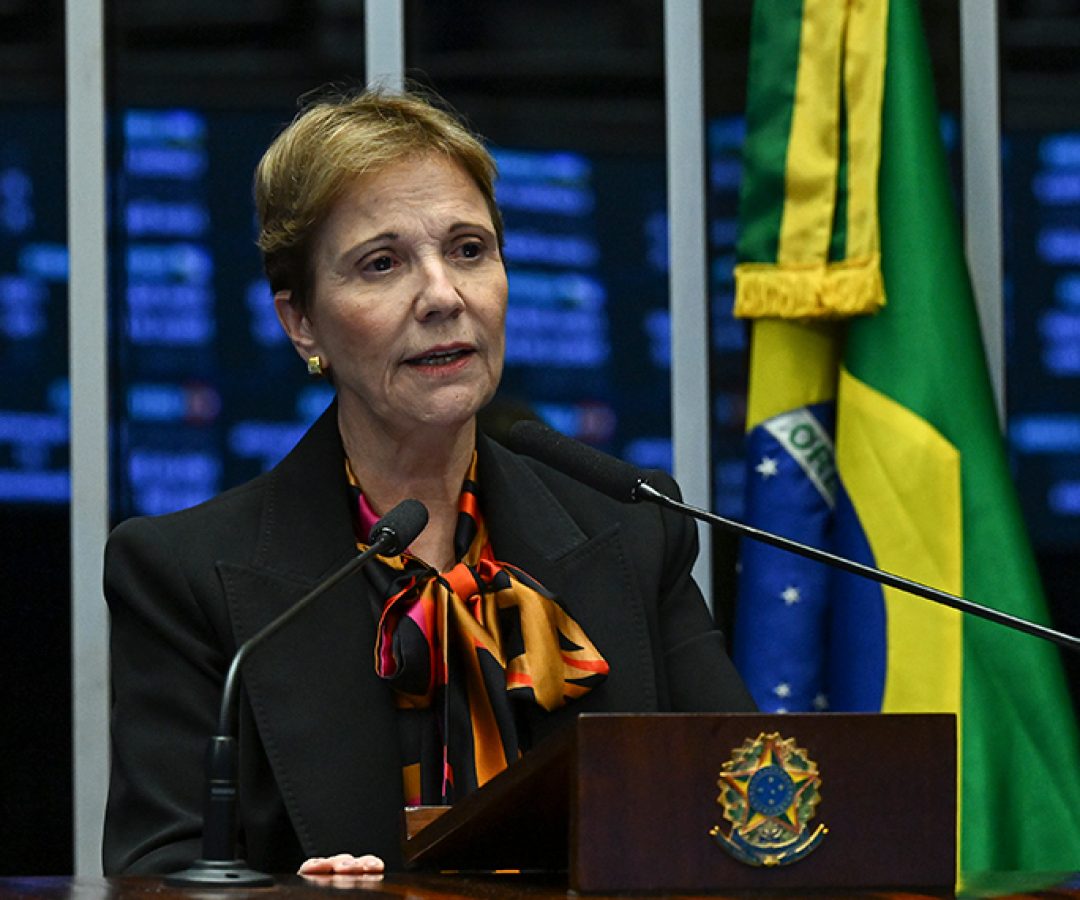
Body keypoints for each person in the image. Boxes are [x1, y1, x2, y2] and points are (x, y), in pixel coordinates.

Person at [102, 86, 755, 879]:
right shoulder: (184, 575)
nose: (443, 296)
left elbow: (741, 806)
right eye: (382, 264)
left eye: (470, 250)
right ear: (301, 320)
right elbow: (157, 874)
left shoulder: (631, 529)